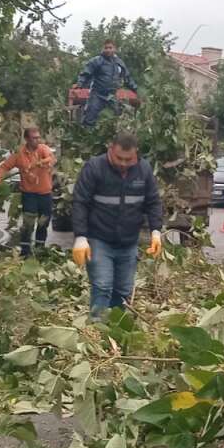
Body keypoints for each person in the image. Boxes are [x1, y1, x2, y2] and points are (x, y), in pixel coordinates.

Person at [70, 132, 164, 317]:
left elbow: (153, 202)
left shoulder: (143, 171)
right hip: (99, 240)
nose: (123, 163)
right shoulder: (95, 168)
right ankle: (97, 332)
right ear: (110, 150)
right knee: (103, 286)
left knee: (123, 291)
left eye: (128, 159)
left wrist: (156, 231)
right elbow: (80, 202)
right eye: (119, 158)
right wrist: (80, 237)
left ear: (136, 154)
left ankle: (115, 331)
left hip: (128, 242)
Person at [0, 127, 56, 256]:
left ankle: (40, 249)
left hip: (45, 194)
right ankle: (25, 252)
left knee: (43, 223)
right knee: (28, 224)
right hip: (29, 194)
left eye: (38, 137)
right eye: (34, 138)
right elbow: (5, 166)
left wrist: (39, 163)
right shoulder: (19, 154)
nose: (37, 140)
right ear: (26, 139)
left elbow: (51, 159)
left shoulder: (43, 148)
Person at [76, 40, 138, 126]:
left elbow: (127, 77)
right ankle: (86, 135)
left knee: (117, 115)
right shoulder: (97, 61)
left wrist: (135, 89)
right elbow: (86, 73)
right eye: (106, 48)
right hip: (97, 94)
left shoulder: (119, 63)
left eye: (110, 48)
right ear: (103, 49)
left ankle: (113, 136)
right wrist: (79, 85)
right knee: (90, 116)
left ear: (114, 49)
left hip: (111, 96)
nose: (108, 50)